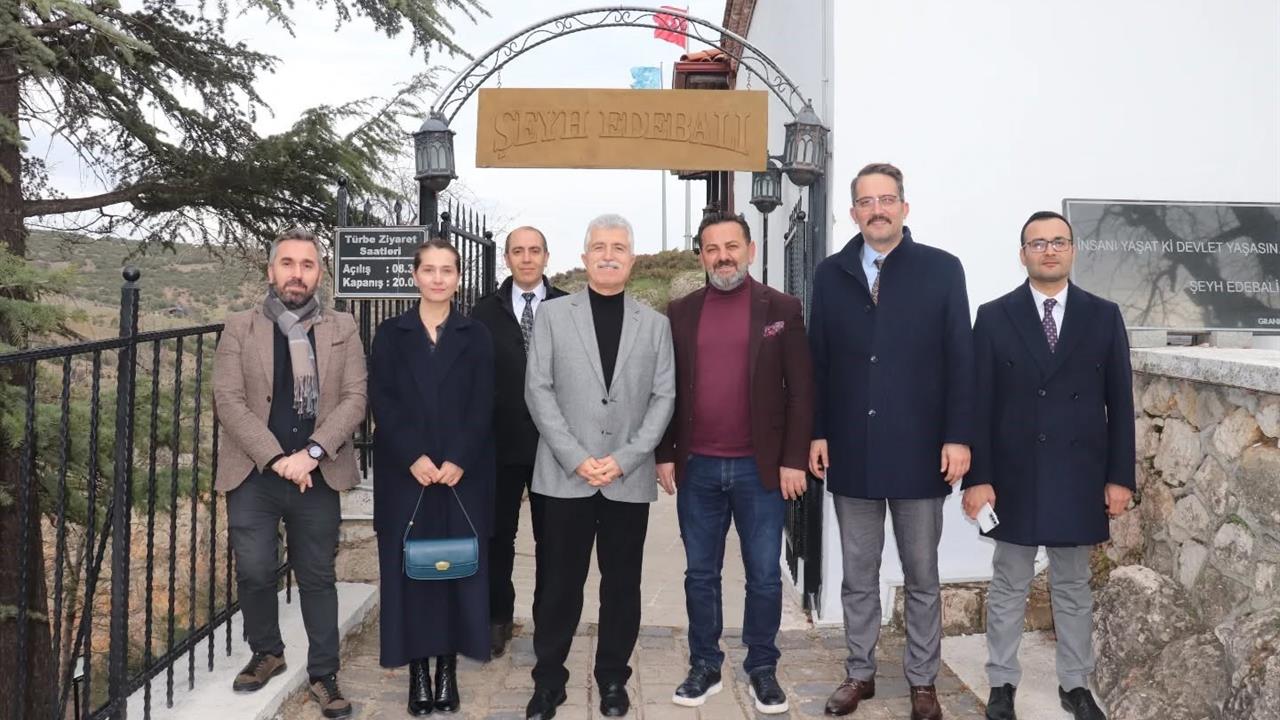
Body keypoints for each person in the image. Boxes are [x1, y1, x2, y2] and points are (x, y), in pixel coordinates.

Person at [809, 163, 975, 720]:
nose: (876, 210)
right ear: (853, 212)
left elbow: (961, 359)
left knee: (922, 576)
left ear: (904, 207)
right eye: (866, 201)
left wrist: (958, 436)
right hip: (852, 450)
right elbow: (818, 361)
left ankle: (923, 682)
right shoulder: (830, 275)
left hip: (920, 453)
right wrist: (818, 430)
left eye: (886, 199)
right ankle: (859, 673)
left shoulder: (941, 269)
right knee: (858, 575)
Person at [963, 211, 1134, 720]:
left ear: (1073, 250)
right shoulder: (994, 315)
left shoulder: (1104, 315)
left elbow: (1120, 403)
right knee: (1009, 583)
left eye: (1059, 241)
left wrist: (1119, 477)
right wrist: (978, 478)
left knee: (1073, 585)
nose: (1050, 250)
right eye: (1038, 243)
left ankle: (1075, 685)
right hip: (1013, 475)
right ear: (1023, 255)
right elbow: (978, 404)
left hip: (1078, 474)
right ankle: (1001, 682)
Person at [655, 211, 813, 714]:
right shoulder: (679, 312)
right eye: (712, 249)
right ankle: (705, 665)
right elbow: (666, 390)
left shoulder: (781, 308)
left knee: (764, 575)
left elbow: (801, 391)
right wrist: (664, 453)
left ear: (750, 249)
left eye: (731, 246)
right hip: (697, 466)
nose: (723, 257)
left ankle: (762, 667)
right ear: (701, 256)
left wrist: (794, 460)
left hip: (759, 469)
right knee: (700, 575)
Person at [523, 214, 676, 720]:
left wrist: (625, 459)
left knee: (622, 587)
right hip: (564, 476)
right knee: (558, 586)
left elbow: (663, 398)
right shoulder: (552, 316)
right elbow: (538, 390)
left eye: (619, 247)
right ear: (585, 256)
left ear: (632, 258)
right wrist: (576, 457)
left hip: (626, 480)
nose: (609, 255)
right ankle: (549, 682)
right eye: (600, 247)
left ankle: (613, 678)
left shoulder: (655, 325)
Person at [213, 227, 366, 719]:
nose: (296, 274)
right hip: (255, 472)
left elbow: (355, 399)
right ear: (271, 270)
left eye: (307, 264)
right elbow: (228, 401)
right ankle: (267, 652)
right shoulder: (240, 327)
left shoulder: (343, 327)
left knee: (317, 575)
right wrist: (279, 459)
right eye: (287, 263)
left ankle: (324, 673)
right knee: (255, 568)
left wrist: (312, 453)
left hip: (317, 473)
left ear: (319, 273)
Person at [368, 238, 496, 716]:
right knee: (411, 572)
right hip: (408, 474)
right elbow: (382, 400)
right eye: (429, 270)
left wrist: (460, 457)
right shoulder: (390, 334)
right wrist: (412, 456)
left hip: (462, 473)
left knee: (455, 570)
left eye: (447, 270)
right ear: (415, 276)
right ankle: (418, 672)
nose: (438, 278)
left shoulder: (475, 334)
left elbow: (484, 401)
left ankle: (448, 670)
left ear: (458, 278)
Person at [470, 225, 568, 657]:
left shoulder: (569, 307)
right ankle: (497, 618)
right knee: (496, 537)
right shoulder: (483, 312)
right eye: (518, 251)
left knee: (554, 541)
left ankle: (549, 622)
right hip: (498, 445)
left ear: (546, 256)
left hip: (555, 447)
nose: (526, 258)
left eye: (534, 250)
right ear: (506, 259)